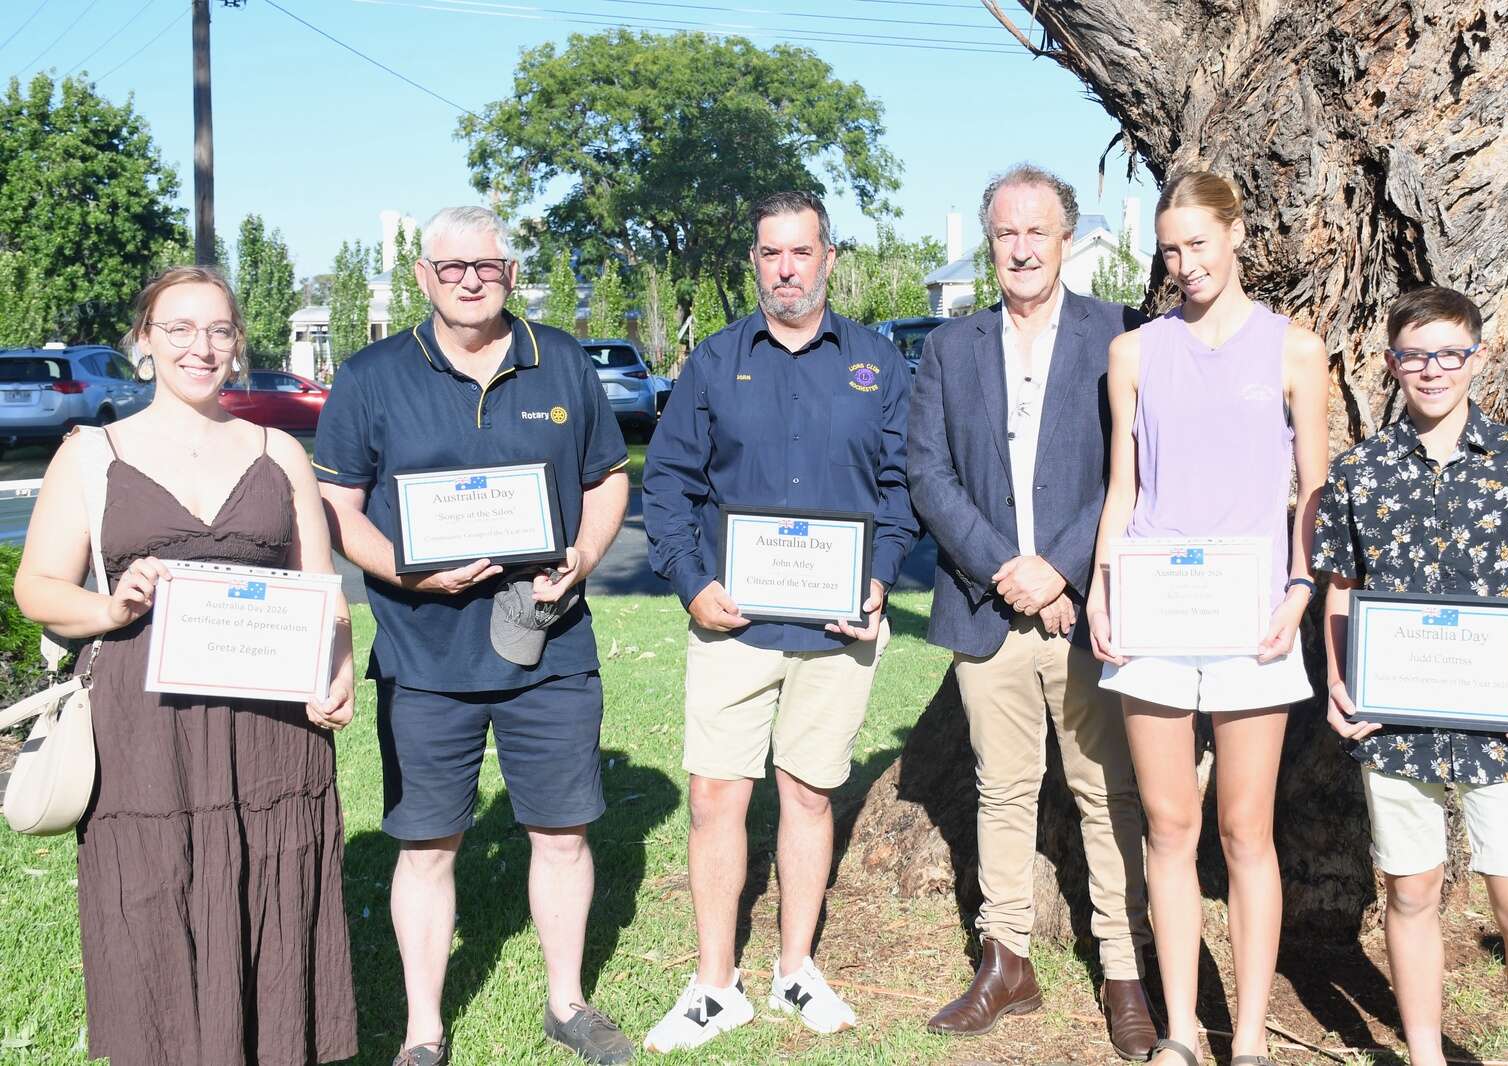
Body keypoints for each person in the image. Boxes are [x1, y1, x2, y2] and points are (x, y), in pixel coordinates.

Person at [13, 265, 359, 1065]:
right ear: (144, 343)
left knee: (271, 896)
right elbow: (36, 588)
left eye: (218, 330)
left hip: (270, 726)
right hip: (147, 731)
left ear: (238, 346)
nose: (199, 347)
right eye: (178, 329)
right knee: (156, 898)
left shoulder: (280, 452)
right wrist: (110, 607)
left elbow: (323, 589)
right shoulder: (92, 455)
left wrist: (336, 662)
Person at [313, 206, 633, 1066]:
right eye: (450, 268)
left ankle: (567, 1004)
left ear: (508, 271)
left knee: (563, 833)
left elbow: (608, 479)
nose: (468, 280)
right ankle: (424, 1031)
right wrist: (406, 572)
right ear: (422, 276)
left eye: (486, 266)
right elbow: (339, 509)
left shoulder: (559, 357)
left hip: (551, 644)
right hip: (423, 650)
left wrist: (587, 553)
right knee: (426, 844)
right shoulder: (374, 374)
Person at [640, 190, 917, 1052]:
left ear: (830, 258)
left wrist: (877, 580)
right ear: (753, 262)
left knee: (809, 791)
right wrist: (691, 586)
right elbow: (667, 485)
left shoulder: (878, 363)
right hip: (734, 624)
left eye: (802, 251)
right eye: (771, 253)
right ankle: (715, 984)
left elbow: (904, 489)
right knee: (716, 794)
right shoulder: (715, 364)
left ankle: (795, 967)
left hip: (838, 627)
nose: (787, 268)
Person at [907, 163, 1158, 1059]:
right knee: (1000, 792)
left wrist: (1057, 571)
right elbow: (926, 474)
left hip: (1085, 611)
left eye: (1037, 232)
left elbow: (1134, 468)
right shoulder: (949, 347)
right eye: (1005, 233)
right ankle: (1005, 961)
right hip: (988, 612)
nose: (1021, 248)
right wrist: (1004, 570)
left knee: (1107, 793)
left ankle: (1126, 972)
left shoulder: (1117, 335)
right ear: (991, 243)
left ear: (1065, 239)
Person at [1083, 170, 1329, 1066]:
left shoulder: (1296, 350)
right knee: (1170, 828)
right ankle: (1183, 1032)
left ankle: (1254, 1037)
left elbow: (1315, 491)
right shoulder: (1137, 354)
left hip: (1252, 620)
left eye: (1199, 243)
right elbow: (1124, 489)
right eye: (1171, 249)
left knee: (1245, 831)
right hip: (1154, 613)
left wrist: (1301, 589)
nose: (1185, 264)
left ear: (1235, 235)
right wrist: (1104, 587)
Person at [1315, 286, 1508, 1066]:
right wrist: (1341, 678)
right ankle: (1427, 1056)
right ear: (1392, 361)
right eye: (1414, 354)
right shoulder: (1360, 471)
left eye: (1448, 354)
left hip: (1502, 723)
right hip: (1395, 724)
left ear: (1476, 357)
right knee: (1409, 892)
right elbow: (1341, 585)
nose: (1431, 370)